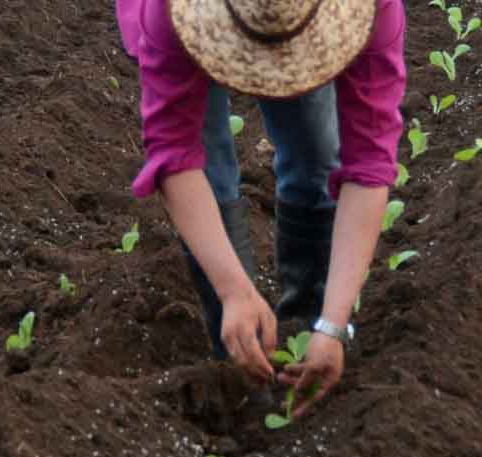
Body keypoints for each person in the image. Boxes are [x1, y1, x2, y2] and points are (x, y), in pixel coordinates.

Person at [116, 0, 405, 415]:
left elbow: (369, 162)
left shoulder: (371, 8)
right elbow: (175, 154)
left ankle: (308, 323)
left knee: (317, 154)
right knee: (210, 172)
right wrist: (234, 291)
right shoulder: (168, 12)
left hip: (305, 23)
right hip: (188, 24)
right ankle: (240, 353)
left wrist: (333, 322)